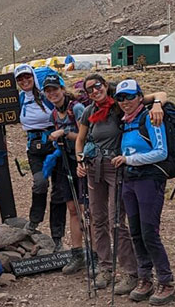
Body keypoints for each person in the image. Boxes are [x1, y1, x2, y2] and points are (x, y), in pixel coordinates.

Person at [72, 75, 166, 294]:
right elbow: (80, 139)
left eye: (97, 86)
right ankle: (105, 267)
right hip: (94, 168)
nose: (94, 91)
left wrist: (158, 104)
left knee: (117, 220)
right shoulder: (89, 111)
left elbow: (159, 95)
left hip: (117, 167)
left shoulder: (120, 104)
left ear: (105, 86)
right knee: (98, 219)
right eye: (89, 90)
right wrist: (79, 160)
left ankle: (131, 272)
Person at [110, 79, 175, 306]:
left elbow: (161, 152)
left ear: (139, 96)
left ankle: (166, 282)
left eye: (129, 96)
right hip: (130, 179)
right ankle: (145, 277)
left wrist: (129, 159)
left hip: (149, 179)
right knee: (136, 230)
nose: (125, 102)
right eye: (120, 98)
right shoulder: (125, 122)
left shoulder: (150, 117)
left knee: (149, 231)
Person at [14, 64, 65, 248]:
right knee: (40, 182)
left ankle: (57, 235)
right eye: (20, 79)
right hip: (34, 147)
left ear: (33, 76)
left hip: (55, 144)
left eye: (27, 76)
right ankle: (34, 221)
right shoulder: (20, 99)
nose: (24, 81)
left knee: (59, 190)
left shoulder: (46, 96)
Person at [40, 73, 88, 257]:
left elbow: (87, 137)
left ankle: (94, 254)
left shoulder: (76, 109)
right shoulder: (54, 113)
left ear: (62, 88)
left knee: (85, 209)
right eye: (48, 91)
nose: (52, 94)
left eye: (55, 89)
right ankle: (77, 253)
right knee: (72, 208)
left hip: (81, 163)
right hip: (65, 162)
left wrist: (64, 133)